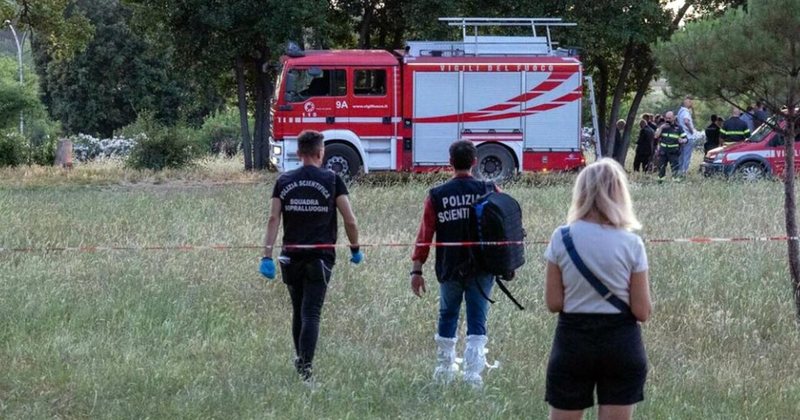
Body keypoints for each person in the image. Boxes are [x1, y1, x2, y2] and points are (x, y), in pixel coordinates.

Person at [543, 158, 652, 420]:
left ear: (581, 193)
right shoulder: (631, 244)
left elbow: (554, 303)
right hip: (621, 343)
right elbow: (642, 311)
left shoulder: (562, 237)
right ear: (619, 194)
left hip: (573, 342)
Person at [260, 129, 363, 383]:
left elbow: (273, 218)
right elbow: (349, 219)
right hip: (320, 258)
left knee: (298, 310)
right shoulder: (332, 179)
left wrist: (266, 255)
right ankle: (306, 369)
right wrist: (355, 248)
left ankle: (300, 359)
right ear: (321, 152)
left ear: (298, 153)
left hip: (290, 256)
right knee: (311, 313)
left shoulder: (283, 180)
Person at [410, 140, 499, 389]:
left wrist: (417, 270)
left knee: (447, 316)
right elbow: (505, 223)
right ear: (475, 161)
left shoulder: (436, 195)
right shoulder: (490, 189)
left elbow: (424, 235)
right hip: (482, 268)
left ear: (450, 163)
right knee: (477, 320)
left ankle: (444, 372)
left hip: (449, 267)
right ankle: (473, 377)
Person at [655, 111, 687, 182]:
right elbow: (656, 136)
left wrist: (682, 140)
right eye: (666, 118)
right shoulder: (662, 126)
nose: (668, 120)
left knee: (675, 169)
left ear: (673, 118)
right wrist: (661, 128)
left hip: (673, 152)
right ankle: (660, 182)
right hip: (663, 152)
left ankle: (675, 183)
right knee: (661, 168)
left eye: (669, 118)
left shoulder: (678, 128)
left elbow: (685, 139)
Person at [677, 95, 698, 174]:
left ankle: (679, 171)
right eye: (691, 102)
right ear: (688, 102)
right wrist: (691, 130)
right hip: (688, 137)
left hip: (682, 136)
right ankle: (684, 172)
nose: (692, 104)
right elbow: (686, 121)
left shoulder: (680, 111)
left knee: (681, 155)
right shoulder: (686, 111)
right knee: (686, 156)